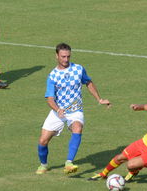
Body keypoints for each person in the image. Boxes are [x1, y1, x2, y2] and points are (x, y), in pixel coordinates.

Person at [36, 43, 111, 175]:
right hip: (58, 111)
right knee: (43, 141)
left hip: (75, 110)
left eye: (68, 56)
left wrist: (99, 99)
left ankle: (69, 163)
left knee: (77, 128)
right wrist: (58, 109)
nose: (66, 60)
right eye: (63, 56)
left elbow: (88, 82)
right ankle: (44, 165)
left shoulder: (78, 69)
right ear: (56, 56)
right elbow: (50, 98)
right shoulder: (53, 76)